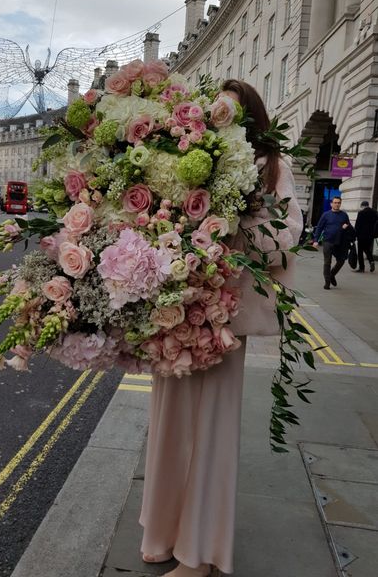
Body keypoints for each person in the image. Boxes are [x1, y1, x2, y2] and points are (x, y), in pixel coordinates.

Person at [139, 79, 303, 577]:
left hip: (224, 318)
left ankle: (201, 554)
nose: (221, 118)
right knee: (168, 423)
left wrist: (232, 223)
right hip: (177, 310)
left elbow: (287, 236)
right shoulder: (193, 158)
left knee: (211, 431)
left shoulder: (272, 167)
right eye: (217, 111)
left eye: (232, 112)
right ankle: (162, 532)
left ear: (251, 119)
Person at [312, 197, 351, 289]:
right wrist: (315, 240)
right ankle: (327, 282)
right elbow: (319, 228)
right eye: (335, 202)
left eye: (338, 203)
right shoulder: (326, 215)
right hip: (328, 241)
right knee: (327, 262)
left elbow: (349, 227)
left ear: (340, 204)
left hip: (340, 242)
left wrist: (347, 227)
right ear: (331, 204)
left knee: (341, 260)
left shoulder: (344, 215)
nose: (337, 204)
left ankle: (332, 274)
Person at [355, 200, 377, 272]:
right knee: (367, 249)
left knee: (360, 251)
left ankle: (362, 268)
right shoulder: (375, 213)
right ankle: (371, 261)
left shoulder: (361, 213)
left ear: (363, 206)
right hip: (370, 235)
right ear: (368, 205)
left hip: (361, 235)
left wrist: (355, 235)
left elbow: (357, 225)